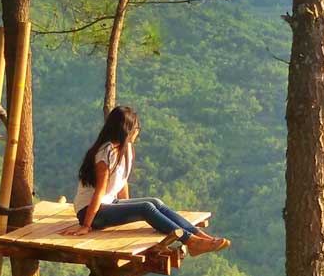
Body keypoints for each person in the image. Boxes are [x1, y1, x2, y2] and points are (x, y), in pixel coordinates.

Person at [63, 106, 230, 256]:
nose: (138, 131)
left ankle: (199, 236)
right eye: (136, 128)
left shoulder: (126, 148)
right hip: (90, 211)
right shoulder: (104, 153)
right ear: (126, 129)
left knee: (154, 201)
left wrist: (125, 207)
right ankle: (191, 241)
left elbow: (122, 181)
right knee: (146, 208)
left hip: (109, 204)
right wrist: (86, 225)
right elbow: (99, 191)